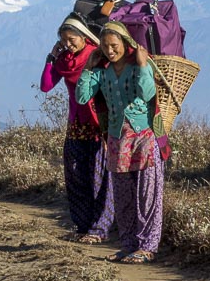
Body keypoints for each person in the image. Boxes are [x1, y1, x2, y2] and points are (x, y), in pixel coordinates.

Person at [75, 21, 163, 264]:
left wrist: (144, 65)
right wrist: (89, 69)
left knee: (146, 195)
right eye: (105, 46)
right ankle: (128, 245)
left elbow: (147, 94)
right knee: (123, 197)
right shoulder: (101, 72)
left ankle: (147, 246)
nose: (110, 51)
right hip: (116, 139)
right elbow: (82, 97)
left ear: (125, 43)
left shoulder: (137, 68)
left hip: (142, 137)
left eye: (114, 46)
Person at [40, 15, 114, 244]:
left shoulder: (96, 56)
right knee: (75, 175)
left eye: (72, 40)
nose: (68, 45)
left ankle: (99, 228)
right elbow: (45, 86)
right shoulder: (64, 60)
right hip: (76, 125)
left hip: (98, 123)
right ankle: (82, 225)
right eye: (64, 41)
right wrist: (51, 57)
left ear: (84, 37)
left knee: (99, 178)